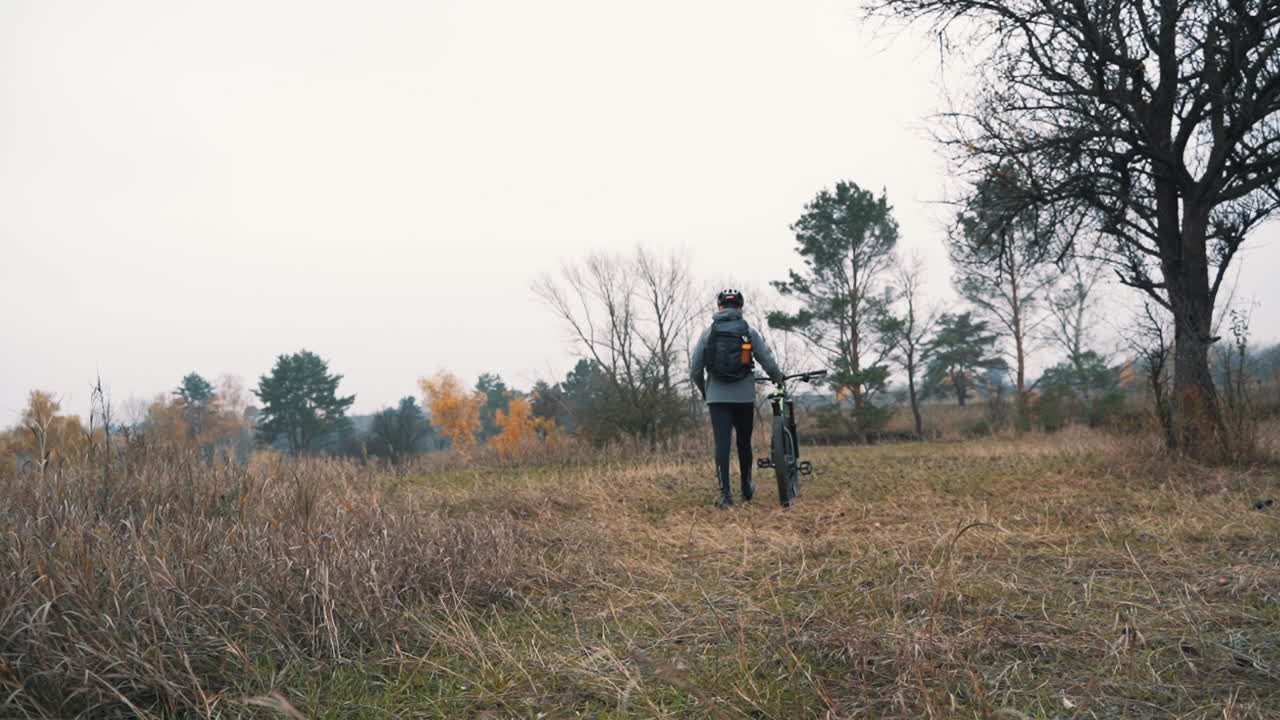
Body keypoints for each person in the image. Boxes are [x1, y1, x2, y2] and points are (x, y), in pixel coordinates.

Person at [689, 289, 785, 507]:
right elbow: (766, 360)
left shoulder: (708, 333)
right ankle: (746, 487)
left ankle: (725, 495)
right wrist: (778, 379)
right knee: (744, 442)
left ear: (719, 307)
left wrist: (706, 391)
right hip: (743, 397)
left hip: (717, 398)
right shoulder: (749, 332)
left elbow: (695, 368)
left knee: (722, 445)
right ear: (741, 308)